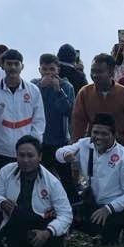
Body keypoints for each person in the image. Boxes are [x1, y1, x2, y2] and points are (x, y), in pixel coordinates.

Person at [56, 113, 124, 244]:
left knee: (108, 235)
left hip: (119, 207)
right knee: (65, 216)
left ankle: (120, 230)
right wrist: (65, 155)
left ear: (114, 135)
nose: (99, 137)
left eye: (104, 134)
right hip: (93, 201)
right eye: (95, 132)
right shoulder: (84, 145)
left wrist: (108, 209)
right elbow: (59, 153)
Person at [0, 135, 72, 247]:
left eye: (30, 156)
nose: (25, 160)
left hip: (42, 223)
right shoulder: (6, 171)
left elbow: (66, 214)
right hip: (15, 222)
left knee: (52, 240)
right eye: (21, 155)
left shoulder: (52, 182)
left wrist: (47, 232)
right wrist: (2, 203)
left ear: (40, 157)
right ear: (16, 155)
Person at [72, 54, 124, 160]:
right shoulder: (84, 93)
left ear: (111, 73)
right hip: (95, 150)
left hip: (123, 150)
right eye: (92, 71)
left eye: (99, 72)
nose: (94, 75)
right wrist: (75, 152)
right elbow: (78, 125)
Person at [0, 49, 45, 178]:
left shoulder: (33, 91)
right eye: (9, 64)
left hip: (25, 153)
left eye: (16, 64)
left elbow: (39, 120)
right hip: (0, 152)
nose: (13, 67)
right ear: (2, 65)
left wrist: (33, 146)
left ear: (22, 66)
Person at [32, 54, 75, 195]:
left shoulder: (66, 86)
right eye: (45, 69)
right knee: (40, 177)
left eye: (52, 69)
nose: (48, 73)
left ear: (58, 70)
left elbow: (68, 111)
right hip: (40, 140)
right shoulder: (33, 85)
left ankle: (74, 209)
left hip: (60, 141)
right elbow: (29, 106)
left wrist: (58, 91)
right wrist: (40, 87)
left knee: (66, 179)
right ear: (39, 70)